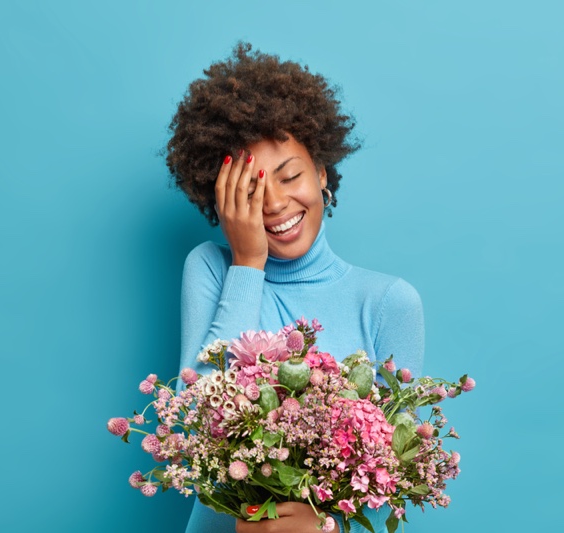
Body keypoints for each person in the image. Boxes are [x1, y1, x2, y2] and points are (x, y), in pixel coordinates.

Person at [165, 42, 425, 533]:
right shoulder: (211, 269)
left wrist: (320, 521)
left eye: (291, 177)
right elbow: (190, 422)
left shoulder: (390, 302)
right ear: (221, 199)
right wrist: (247, 262)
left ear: (323, 173)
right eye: (251, 191)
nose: (276, 204)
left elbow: (397, 475)